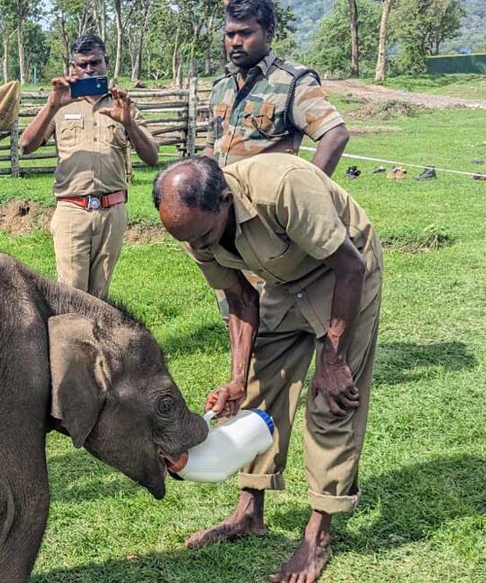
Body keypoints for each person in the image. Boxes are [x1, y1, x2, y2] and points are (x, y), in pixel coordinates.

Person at [153, 154, 382, 583]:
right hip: (285, 282)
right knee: (259, 392)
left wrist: (332, 360)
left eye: (203, 236)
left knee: (332, 399)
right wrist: (238, 379)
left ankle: (319, 533)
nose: (199, 249)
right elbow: (241, 299)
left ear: (224, 200)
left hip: (345, 272)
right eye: (188, 240)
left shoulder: (284, 187)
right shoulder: (195, 228)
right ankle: (249, 511)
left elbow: (350, 265)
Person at [18, 33, 159, 299]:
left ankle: (96, 341)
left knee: (100, 297)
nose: (88, 70)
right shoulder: (61, 103)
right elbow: (26, 146)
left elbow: (152, 157)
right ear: (72, 67)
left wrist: (128, 123)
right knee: (71, 295)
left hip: (113, 210)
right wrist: (51, 105)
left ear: (106, 62)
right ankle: (70, 341)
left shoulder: (122, 104)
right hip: (72, 210)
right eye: (82, 65)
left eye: (95, 63)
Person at [205, 0, 349, 175]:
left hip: (266, 199)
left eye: (245, 33)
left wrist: (308, 189)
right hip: (223, 199)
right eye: (230, 34)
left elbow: (336, 134)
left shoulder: (293, 82)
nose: (235, 42)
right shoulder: (222, 86)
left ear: (269, 33)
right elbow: (211, 146)